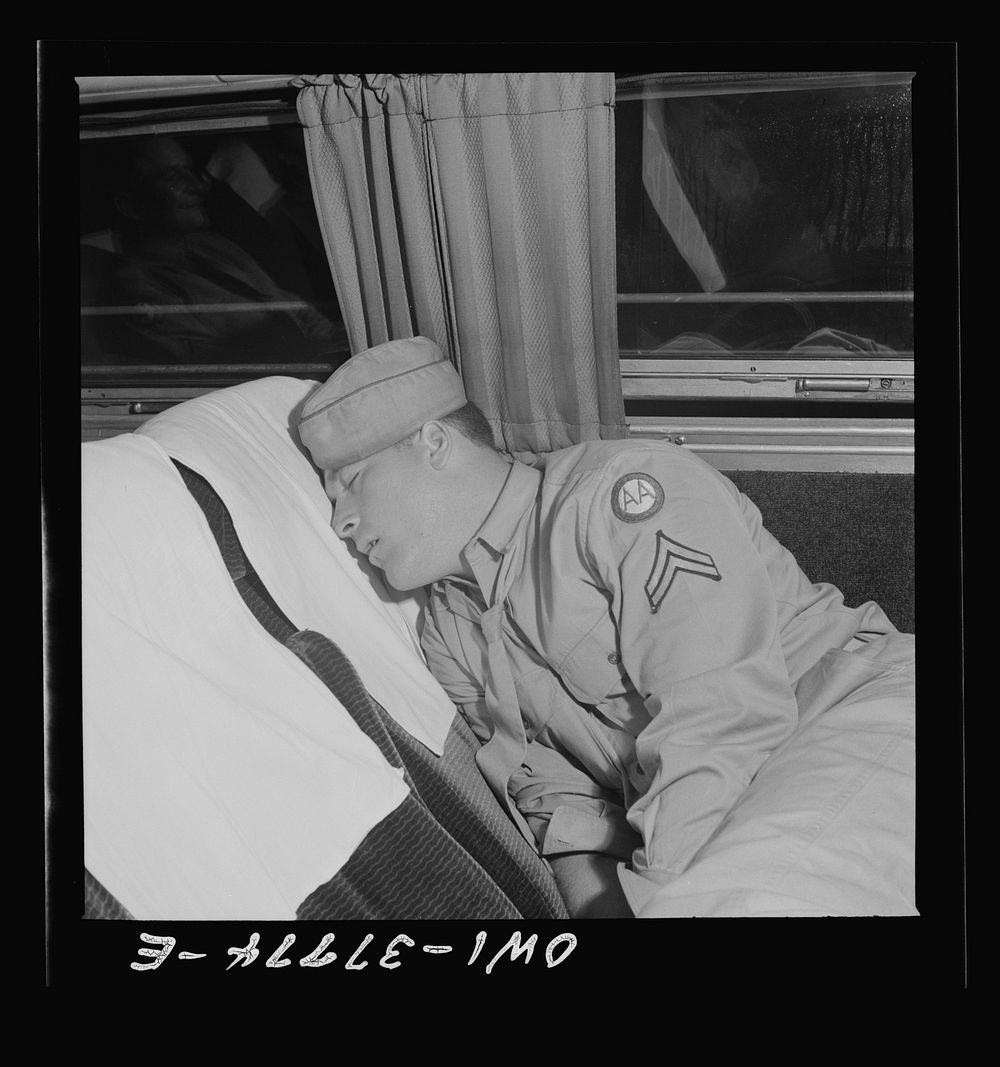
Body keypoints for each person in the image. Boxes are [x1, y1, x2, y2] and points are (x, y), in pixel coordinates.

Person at [297, 335, 915, 918]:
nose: (340, 523)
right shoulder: (447, 632)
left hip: (848, 708)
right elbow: (550, 793)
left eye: (352, 483)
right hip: (724, 807)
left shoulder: (623, 496)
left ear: (432, 443)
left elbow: (721, 715)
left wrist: (655, 891)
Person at [100, 135, 344, 363]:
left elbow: (287, 303)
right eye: (173, 178)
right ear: (131, 207)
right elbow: (217, 365)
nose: (197, 186)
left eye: (190, 171)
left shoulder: (212, 245)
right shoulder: (139, 286)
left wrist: (336, 340)